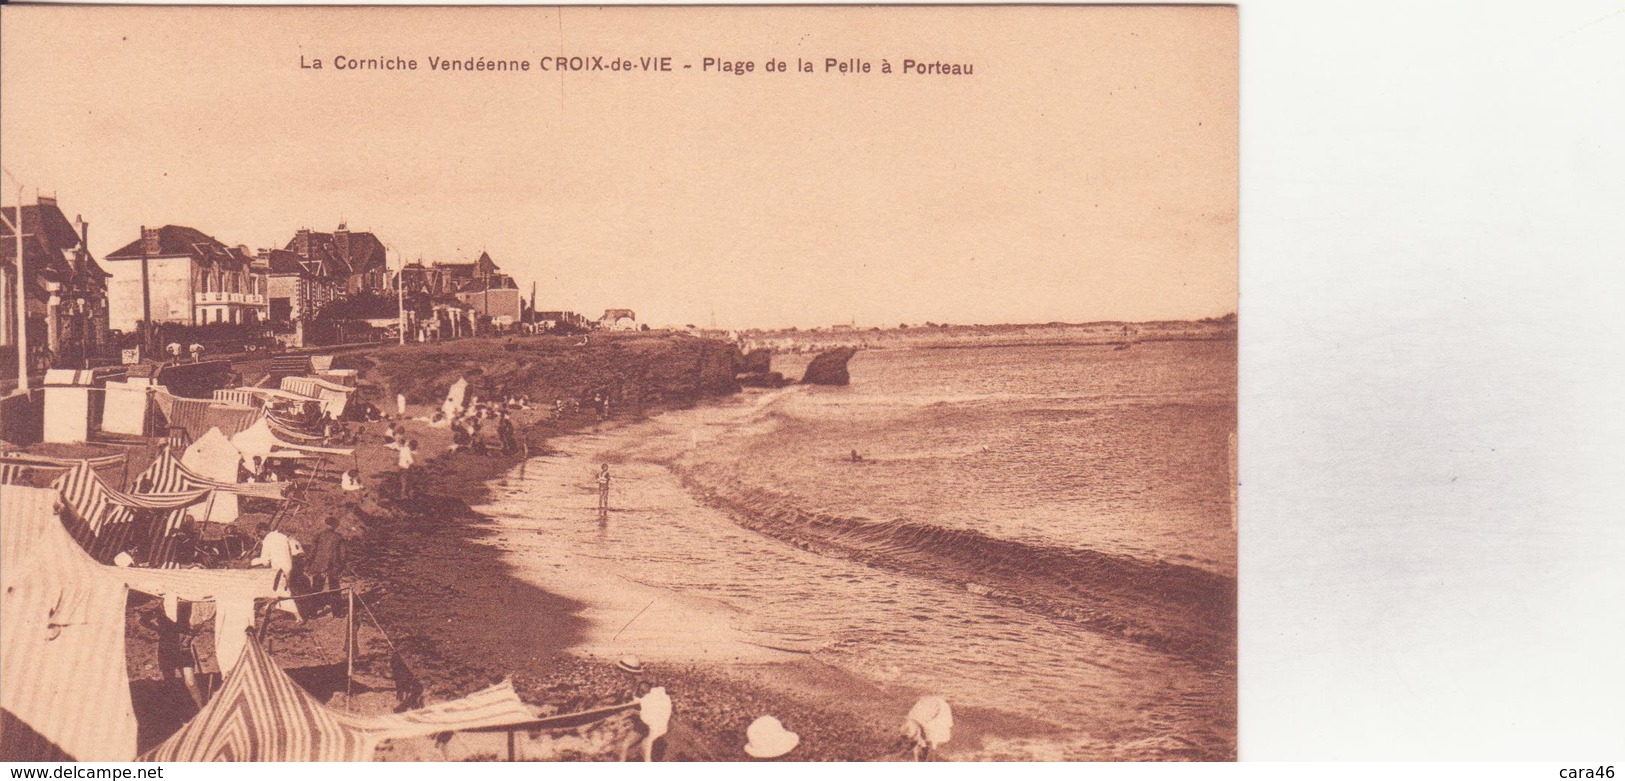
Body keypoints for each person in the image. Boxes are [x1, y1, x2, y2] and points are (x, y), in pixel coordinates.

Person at [252, 523, 303, 622]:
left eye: (259, 534)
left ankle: (298, 617)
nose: (259, 536)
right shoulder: (283, 537)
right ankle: (268, 609)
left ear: (263, 531)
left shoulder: (267, 541)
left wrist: (253, 561)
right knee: (277, 590)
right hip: (288, 567)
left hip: (278, 570)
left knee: (283, 592)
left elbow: (265, 561)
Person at [306, 517, 346, 618]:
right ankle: (337, 613)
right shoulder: (338, 537)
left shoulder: (318, 535)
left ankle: (312, 613)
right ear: (336, 526)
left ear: (325, 523)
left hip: (319, 566)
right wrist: (341, 567)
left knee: (316, 588)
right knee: (335, 589)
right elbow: (343, 555)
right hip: (333, 567)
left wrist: (310, 565)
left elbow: (312, 552)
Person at [900, 696, 953, 761]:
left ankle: (928, 755)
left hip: (934, 712)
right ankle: (923, 752)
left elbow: (928, 734)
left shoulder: (929, 727)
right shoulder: (909, 727)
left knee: (931, 742)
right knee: (923, 742)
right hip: (922, 717)